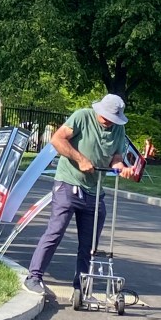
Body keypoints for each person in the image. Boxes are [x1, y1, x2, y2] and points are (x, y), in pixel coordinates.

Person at [23, 94, 136, 296]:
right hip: (69, 183)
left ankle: (82, 286)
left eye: (113, 118)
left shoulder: (118, 128)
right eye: (106, 117)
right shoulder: (82, 117)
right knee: (55, 231)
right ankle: (34, 277)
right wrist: (80, 159)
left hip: (95, 189)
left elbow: (116, 155)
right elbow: (57, 139)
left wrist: (119, 165)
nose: (109, 121)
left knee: (89, 244)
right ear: (99, 110)